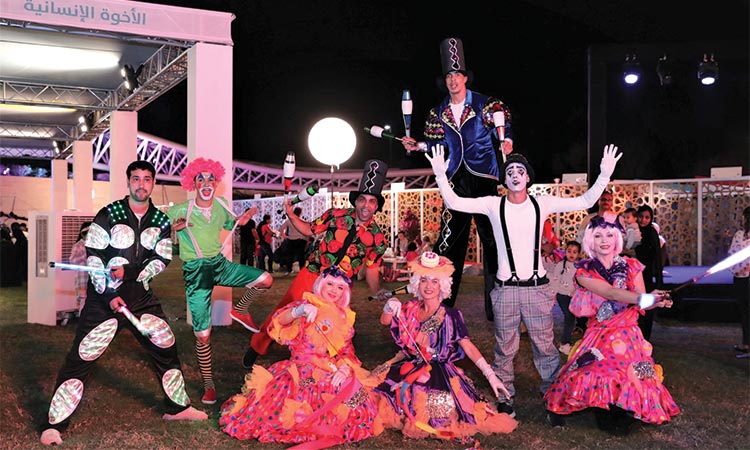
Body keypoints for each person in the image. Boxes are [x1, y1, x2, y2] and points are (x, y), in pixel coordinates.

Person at [426, 143, 622, 418]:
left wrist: (604, 175)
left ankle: (553, 395)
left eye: (521, 171)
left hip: (537, 288)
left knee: (545, 346)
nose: (516, 175)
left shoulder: (542, 203)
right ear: (504, 180)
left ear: (528, 178)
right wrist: (440, 174)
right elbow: (455, 202)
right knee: (504, 347)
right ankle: (505, 395)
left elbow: (585, 201)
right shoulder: (493, 204)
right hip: (505, 290)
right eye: (510, 171)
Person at [40, 160, 207, 446]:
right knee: (81, 358)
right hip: (103, 300)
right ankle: (54, 425)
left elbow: (162, 257)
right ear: (128, 182)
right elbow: (93, 259)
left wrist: (129, 273)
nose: (141, 184)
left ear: (153, 183)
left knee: (165, 347)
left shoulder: (160, 220)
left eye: (146, 179)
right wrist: (108, 295)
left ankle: (177, 408)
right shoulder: (108, 214)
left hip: (140, 298)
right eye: (136, 178)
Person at [242, 159, 390, 369]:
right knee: (285, 310)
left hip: (339, 288)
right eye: (363, 200)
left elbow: (372, 269)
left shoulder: (378, 239)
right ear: (356, 202)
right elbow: (309, 230)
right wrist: (292, 215)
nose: (366, 205)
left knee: (333, 324)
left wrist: (378, 290)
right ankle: (258, 346)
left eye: (372, 202)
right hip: (312, 274)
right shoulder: (335, 215)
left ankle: (325, 364)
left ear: (377, 206)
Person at [402, 37, 513, 310]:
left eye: (457, 75)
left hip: (485, 178)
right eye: (449, 76)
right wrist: (418, 145)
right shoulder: (437, 112)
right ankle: (440, 304)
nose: (453, 81)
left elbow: (503, 128)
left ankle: (499, 303)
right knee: (450, 239)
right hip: (456, 180)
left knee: (492, 239)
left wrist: (506, 140)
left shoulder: (488, 104)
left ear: (465, 78)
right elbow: (436, 143)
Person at [544, 216, 681, 433]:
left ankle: (621, 408)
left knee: (633, 377)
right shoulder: (584, 271)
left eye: (609, 235)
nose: (604, 240)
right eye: (598, 235)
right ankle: (591, 408)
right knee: (594, 372)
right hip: (601, 334)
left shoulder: (631, 266)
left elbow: (640, 301)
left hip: (629, 335)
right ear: (590, 240)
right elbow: (612, 293)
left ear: (617, 238)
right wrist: (646, 298)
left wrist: (658, 300)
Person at [220, 267, 381, 448]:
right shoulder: (306, 304)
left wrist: (344, 368)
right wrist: (299, 311)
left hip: (330, 368)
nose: (334, 291)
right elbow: (278, 322)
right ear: (320, 284)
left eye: (340, 287)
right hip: (301, 370)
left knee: (355, 398)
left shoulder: (344, 316)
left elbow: (345, 350)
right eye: (330, 284)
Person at [375, 252, 517, 439]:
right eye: (424, 280)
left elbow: (468, 347)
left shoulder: (450, 315)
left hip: (440, 373)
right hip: (412, 366)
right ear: (417, 283)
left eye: (435, 281)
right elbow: (385, 321)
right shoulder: (411, 308)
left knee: (438, 412)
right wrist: (388, 307)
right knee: (383, 396)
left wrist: (491, 375)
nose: (429, 286)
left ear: (442, 285)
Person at [167, 157, 273, 405]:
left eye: (210, 178)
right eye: (200, 178)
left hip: (219, 264)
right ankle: (209, 385)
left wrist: (244, 219)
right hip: (196, 271)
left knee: (266, 279)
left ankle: (240, 309)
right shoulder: (181, 209)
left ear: (216, 182)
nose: (206, 182)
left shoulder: (222, 205)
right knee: (203, 334)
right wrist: (176, 227)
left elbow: (233, 222)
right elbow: (164, 225)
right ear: (193, 183)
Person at [634, 204, 663, 341]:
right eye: (641, 217)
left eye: (647, 217)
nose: (643, 220)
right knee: (634, 305)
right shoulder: (633, 231)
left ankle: (645, 338)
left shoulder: (652, 233)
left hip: (646, 276)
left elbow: (657, 256)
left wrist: (658, 279)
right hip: (633, 275)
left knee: (647, 306)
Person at [550, 241, 581, 355]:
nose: (571, 254)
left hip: (574, 297)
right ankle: (564, 343)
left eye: (574, 252)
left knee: (572, 318)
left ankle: (568, 340)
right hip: (562, 296)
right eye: (569, 251)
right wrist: (553, 295)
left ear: (578, 253)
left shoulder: (580, 266)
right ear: (565, 252)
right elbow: (555, 280)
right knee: (569, 317)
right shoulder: (560, 265)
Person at [728, 206, 750, 359]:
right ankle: (746, 343)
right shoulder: (739, 235)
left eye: (744, 217)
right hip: (740, 277)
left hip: (747, 278)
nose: (742, 219)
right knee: (744, 311)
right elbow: (732, 253)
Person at [69, 221, 92, 314]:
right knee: (83, 299)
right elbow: (72, 261)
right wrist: (84, 256)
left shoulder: (95, 245)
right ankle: (83, 318)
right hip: (83, 278)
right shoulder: (78, 245)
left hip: (94, 277)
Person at [278, 206, 309, 274]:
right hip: (301, 240)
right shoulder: (302, 221)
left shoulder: (289, 221)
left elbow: (281, 229)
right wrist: (307, 239)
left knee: (290, 256)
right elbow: (306, 231)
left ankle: (289, 269)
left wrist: (285, 236)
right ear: (300, 213)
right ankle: (302, 270)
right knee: (301, 256)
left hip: (291, 239)